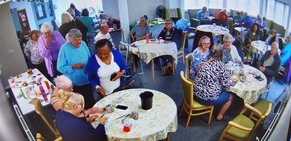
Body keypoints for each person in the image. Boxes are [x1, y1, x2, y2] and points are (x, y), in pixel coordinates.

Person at [57, 28, 94, 110]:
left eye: (80, 39)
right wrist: (72, 67)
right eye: (75, 40)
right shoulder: (64, 48)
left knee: (91, 102)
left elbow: (89, 58)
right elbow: (60, 67)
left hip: (86, 80)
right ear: (70, 39)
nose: (78, 42)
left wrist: (89, 66)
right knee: (80, 106)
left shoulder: (83, 44)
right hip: (74, 84)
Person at [193, 47, 233, 121]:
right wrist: (228, 77)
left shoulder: (205, 62)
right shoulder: (221, 66)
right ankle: (220, 116)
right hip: (206, 99)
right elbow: (226, 86)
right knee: (231, 96)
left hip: (195, 94)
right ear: (221, 55)